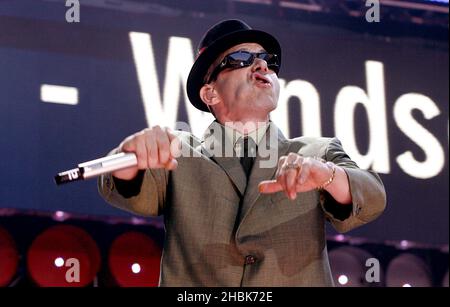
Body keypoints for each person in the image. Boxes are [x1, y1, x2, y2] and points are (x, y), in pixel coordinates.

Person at [98, 19, 386, 286]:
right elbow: (127, 188)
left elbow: (372, 197)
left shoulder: (314, 152)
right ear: (210, 93)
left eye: (268, 61)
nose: (262, 66)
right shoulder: (179, 152)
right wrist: (131, 156)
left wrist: (327, 175)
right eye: (240, 60)